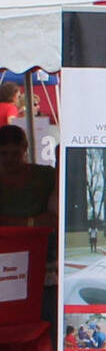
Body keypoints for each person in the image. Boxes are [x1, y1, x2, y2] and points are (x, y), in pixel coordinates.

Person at [0, 123, 59, 333]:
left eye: (14, 153)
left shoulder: (45, 176)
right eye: (4, 154)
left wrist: (12, 223)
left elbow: (53, 219)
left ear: (25, 148)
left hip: (42, 262)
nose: (9, 159)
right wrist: (33, 222)